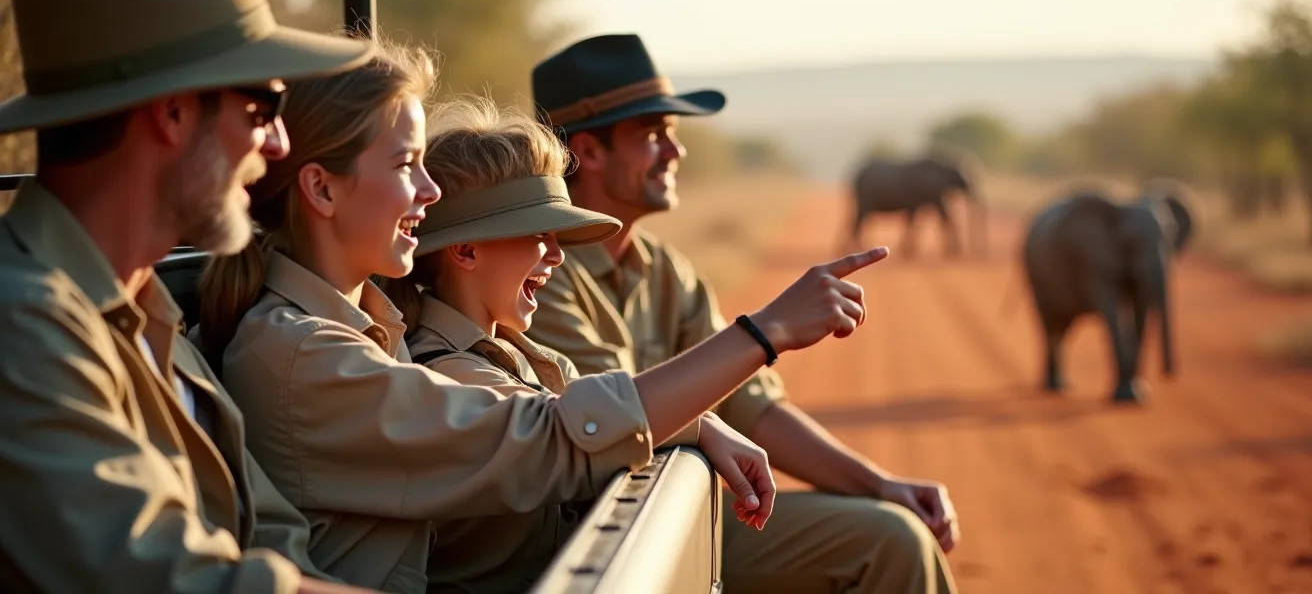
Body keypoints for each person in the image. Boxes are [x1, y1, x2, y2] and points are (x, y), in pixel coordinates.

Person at [195, 32, 888, 592]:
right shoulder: (302, 352)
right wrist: (763, 333)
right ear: (321, 189)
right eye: (407, 165)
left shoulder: (375, 329)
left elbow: (561, 404)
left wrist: (700, 422)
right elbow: (544, 436)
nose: (430, 192)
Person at [0, 0, 381, 592]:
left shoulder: (145, 311)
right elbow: (175, 579)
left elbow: (274, 539)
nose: (279, 145)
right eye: (263, 107)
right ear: (172, 112)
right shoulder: (21, 322)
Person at [525, 33, 962, 594]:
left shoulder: (664, 269)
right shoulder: (539, 274)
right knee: (890, 542)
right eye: (653, 134)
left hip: (675, 511)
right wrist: (768, 329)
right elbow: (619, 414)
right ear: (588, 152)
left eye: (672, 134)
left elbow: (752, 407)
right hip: (598, 537)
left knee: (896, 530)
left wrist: (880, 484)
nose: (675, 152)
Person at [376, 96, 785, 592]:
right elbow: (567, 427)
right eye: (539, 235)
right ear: (465, 250)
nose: (556, 257)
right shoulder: (445, 371)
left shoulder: (520, 354)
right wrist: (764, 336)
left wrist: (704, 424)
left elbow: (591, 408)